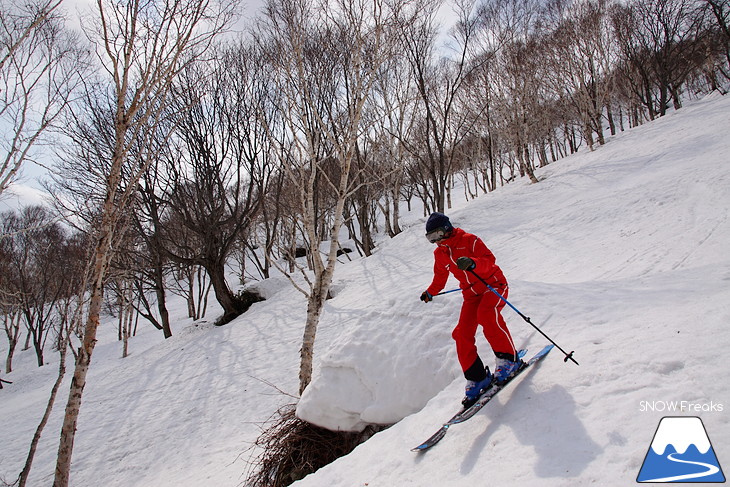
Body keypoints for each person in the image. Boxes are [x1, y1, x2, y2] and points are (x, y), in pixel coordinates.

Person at [420, 212, 522, 407]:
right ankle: (477, 377)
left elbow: (490, 262)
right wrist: (430, 292)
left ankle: (509, 360)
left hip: (493, 285)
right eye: (430, 238)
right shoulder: (440, 253)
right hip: (471, 294)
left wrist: (474, 263)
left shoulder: (470, 240)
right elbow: (440, 277)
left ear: (447, 228)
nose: (435, 241)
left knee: (487, 315)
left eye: (437, 235)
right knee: (461, 334)